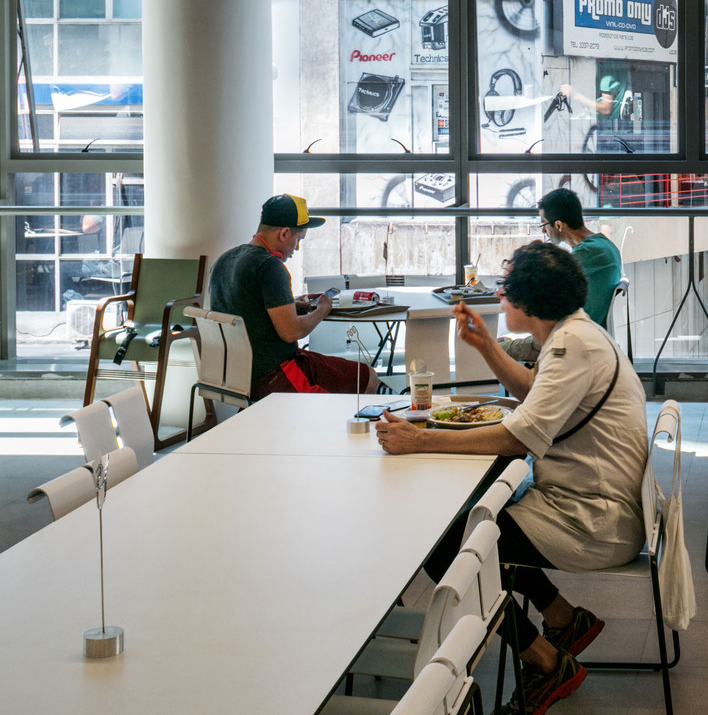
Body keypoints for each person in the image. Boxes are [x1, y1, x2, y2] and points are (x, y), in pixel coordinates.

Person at [376, 242, 648, 715]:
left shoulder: (570, 346)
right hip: (597, 502)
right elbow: (534, 392)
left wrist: (420, 440)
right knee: (481, 530)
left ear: (528, 302)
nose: (499, 297)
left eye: (505, 290)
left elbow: (516, 437)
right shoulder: (577, 334)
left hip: (593, 521)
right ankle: (562, 617)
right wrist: (486, 346)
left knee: (449, 549)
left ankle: (544, 662)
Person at [208, 194, 372, 400]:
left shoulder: (224, 260)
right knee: (368, 377)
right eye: (298, 239)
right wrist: (322, 310)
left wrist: (290, 305)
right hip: (274, 376)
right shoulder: (270, 266)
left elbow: (247, 309)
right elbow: (292, 332)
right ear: (284, 233)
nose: (297, 248)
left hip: (235, 376)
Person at [538, 187, 623, 327]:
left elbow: (548, 296)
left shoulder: (586, 253)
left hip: (575, 333)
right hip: (589, 330)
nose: (543, 230)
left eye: (544, 224)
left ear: (558, 225)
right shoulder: (605, 244)